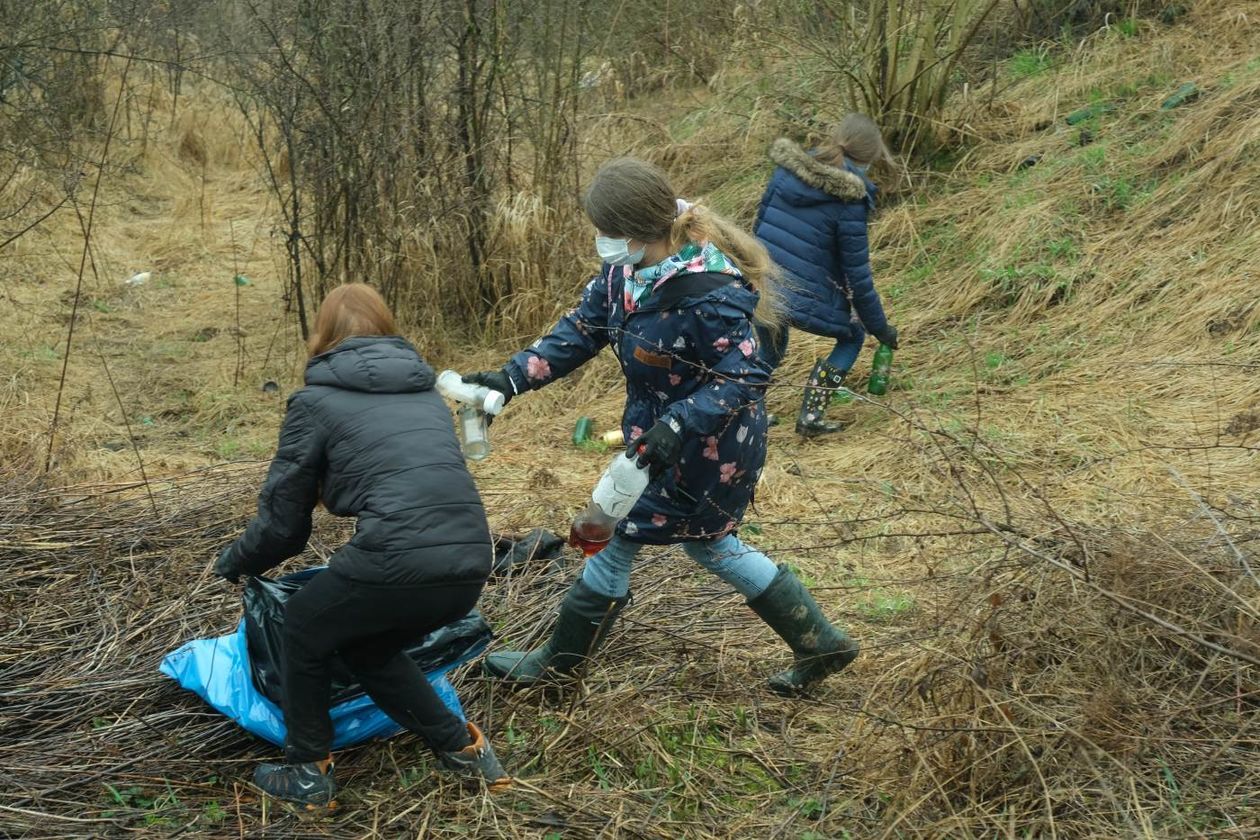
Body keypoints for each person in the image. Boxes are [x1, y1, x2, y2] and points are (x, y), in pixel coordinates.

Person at [464, 157, 858, 696]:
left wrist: (679, 422)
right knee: (711, 545)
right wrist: (509, 381)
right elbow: (581, 329)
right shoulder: (626, 274)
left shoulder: (707, 291)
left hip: (709, 449)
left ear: (630, 230)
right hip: (658, 439)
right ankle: (820, 643)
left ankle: (557, 666)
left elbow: (745, 374)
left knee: (623, 533)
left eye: (604, 231)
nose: (600, 241)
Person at [213, 283, 509, 811]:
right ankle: (466, 751)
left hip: (398, 557)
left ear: (323, 336)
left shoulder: (314, 402)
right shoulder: (426, 395)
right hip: (469, 561)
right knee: (367, 646)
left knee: (302, 623)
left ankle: (307, 771)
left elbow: (285, 525)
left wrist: (237, 561)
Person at [753, 113, 900, 437]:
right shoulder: (851, 200)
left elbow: (758, 226)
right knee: (852, 336)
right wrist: (880, 328)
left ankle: (745, 411)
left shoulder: (785, 172)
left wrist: (754, 277)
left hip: (762, 282)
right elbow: (858, 278)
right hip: (800, 292)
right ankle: (812, 416)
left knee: (771, 346)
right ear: (870, 157)